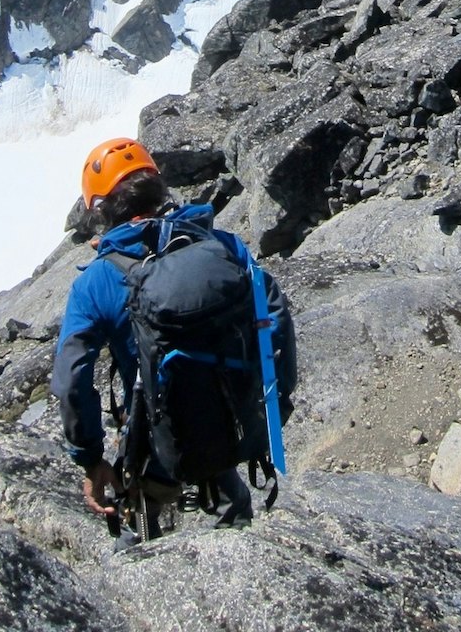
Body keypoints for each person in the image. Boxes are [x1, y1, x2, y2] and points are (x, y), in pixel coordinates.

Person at [50, 135, 296, 531]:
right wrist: (275, 401)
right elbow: (274, 312)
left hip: (157, 443)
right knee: (229, 501)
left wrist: (90, 458)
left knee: (137, 533)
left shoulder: (96, 282)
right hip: (233, 414)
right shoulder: (219, 244)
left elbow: (71, 381)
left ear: (100, 209)